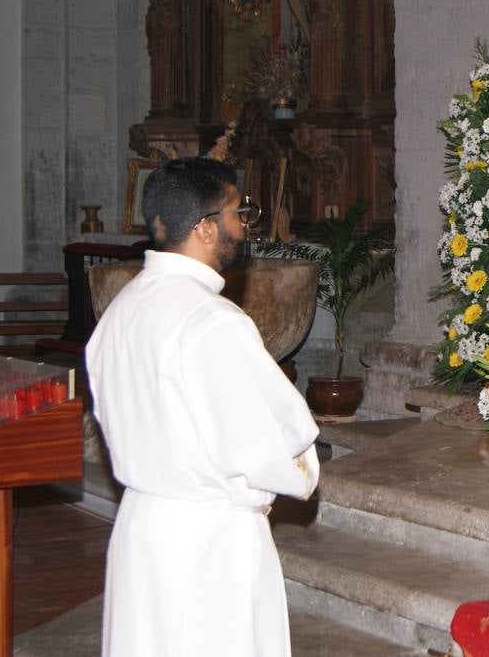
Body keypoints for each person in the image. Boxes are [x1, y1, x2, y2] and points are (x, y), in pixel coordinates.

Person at [87, 157, 321, 656]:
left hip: (142, 527)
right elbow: (265, 445)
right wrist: (299, 467)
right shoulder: (213, 321)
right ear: (205, 229)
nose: (244, 225)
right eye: (238, 213)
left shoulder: (120, 311)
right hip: (211, 542)